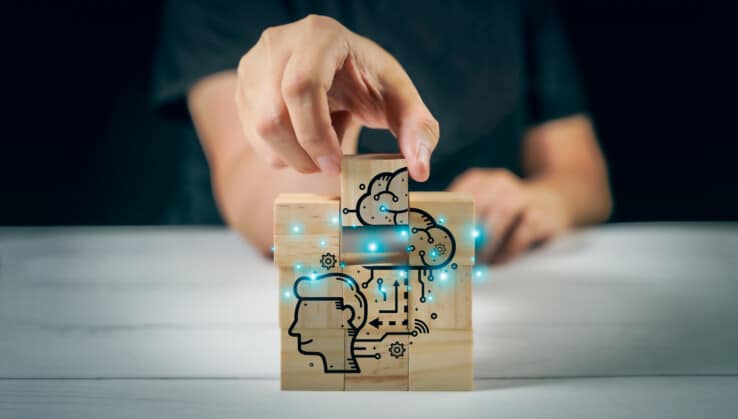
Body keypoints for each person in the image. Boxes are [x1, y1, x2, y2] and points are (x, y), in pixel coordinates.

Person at [152, 1, 612, 264]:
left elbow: (584, 177)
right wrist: (324, 128)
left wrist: (544, 201)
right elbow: (258, 203)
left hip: (493, 272)